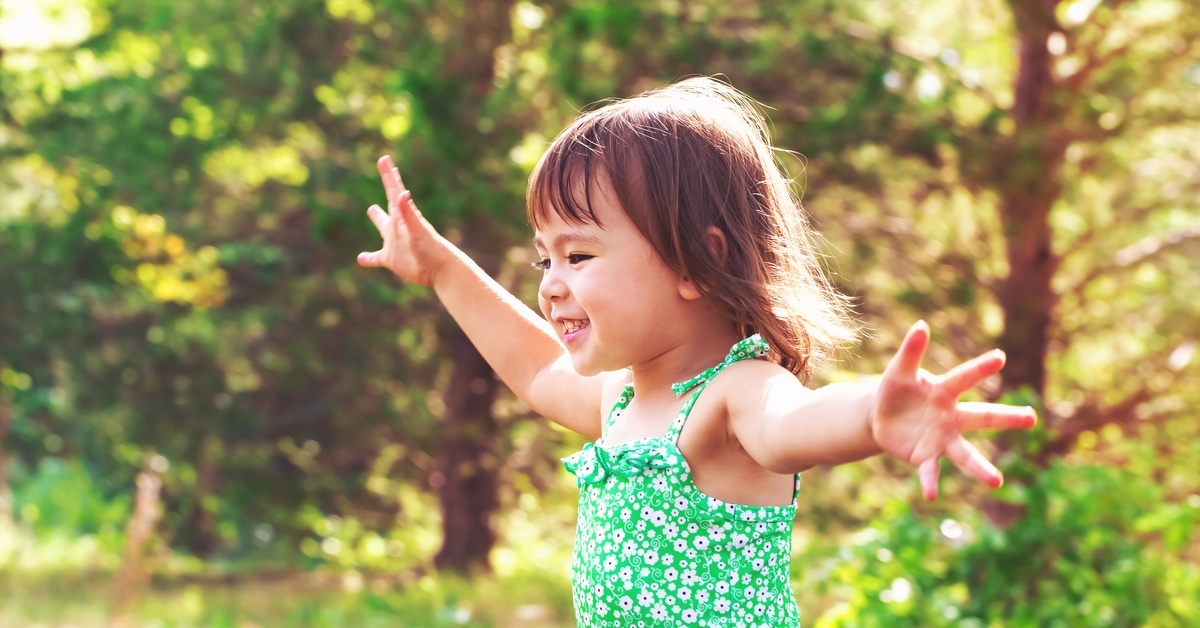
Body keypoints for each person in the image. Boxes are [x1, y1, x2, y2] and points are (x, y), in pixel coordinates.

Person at [357, 77, 1037, 627]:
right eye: (544, 261)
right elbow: (536, 367)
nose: (553, 285)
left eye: (579, 255)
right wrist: (444, 269)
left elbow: (792, 425)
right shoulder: (620, 397)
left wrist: (873, 417)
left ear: (697, 263)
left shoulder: (734, 391)